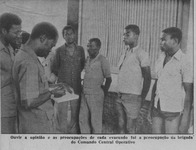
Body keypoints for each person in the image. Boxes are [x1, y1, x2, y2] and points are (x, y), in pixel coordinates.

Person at [12, 22, 59, 133]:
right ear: (42, 38)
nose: (50, 50)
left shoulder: (26, 55)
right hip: (37, 126)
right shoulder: (29, 61)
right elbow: (29, 101)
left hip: (32, 122)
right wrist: (52, 93)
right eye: (51, 45)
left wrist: (48, 86)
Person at [151, 27, 193, 134]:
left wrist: (185, 119)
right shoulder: (160, 58)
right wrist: (151, 107)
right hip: (157, 107)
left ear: (175, 41)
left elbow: (189, 92)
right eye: (160, 39)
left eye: (163, 39)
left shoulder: (185, 61)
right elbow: (156, 83)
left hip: (173, 111)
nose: (161, 43)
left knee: (170, 143)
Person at [116, 24, 151, 134]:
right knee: (120, 125)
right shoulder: (124, 52)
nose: (124, 37)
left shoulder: (142, 54)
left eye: (127, 34)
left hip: (133, 97)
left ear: (136, 36)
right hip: (119, 95)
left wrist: (142, 98)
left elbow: (148, 78)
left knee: (131, 129)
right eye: (123, 34)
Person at [52, 25, 85, 133]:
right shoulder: (58, 51)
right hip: (63, 89)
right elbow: (55, 69)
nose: (69, 36)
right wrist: (63, 80)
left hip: (76, 87)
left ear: (75, 35)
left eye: (71, 33)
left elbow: (81, 66)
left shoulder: (80, 50)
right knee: (62, 116)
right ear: (63, 36)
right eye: (66, 34)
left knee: (75, 116)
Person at [79, 38, 112, 134]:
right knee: (83, 119)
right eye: (88, 46)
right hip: (84, 93)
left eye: (91, 46)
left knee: (95, 122)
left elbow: (109, 79)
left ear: (98, 47)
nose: (89, 48)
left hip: (96, 95)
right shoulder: (87, 59)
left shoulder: (103, 60)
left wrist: (103, 93)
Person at [0, 12, 22, 134]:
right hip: (3, 110)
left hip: (13, 106)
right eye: (15, 32)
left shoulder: (9, 47)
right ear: (4, 31)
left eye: (20, 32)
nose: (18, 36)